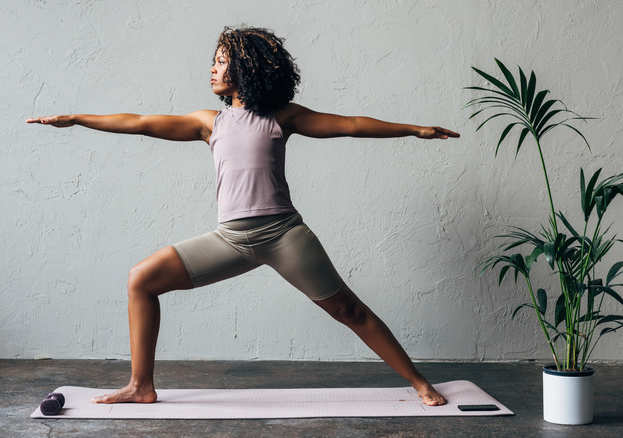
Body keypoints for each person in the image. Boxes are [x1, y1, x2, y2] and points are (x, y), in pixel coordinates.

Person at [26, 26, 460, 406]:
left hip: (284, 234)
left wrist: (413, 129)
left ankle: (419, 382)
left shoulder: (282, 117)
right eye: (213, 62)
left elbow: (349, 124)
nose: (212, 70)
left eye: (220, 62)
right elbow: (140, 122)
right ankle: (141, 385)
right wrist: (78, 119)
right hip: (231, 240)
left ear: (246, 68)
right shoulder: (208, 122)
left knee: (349, 309)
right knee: (141, 279)